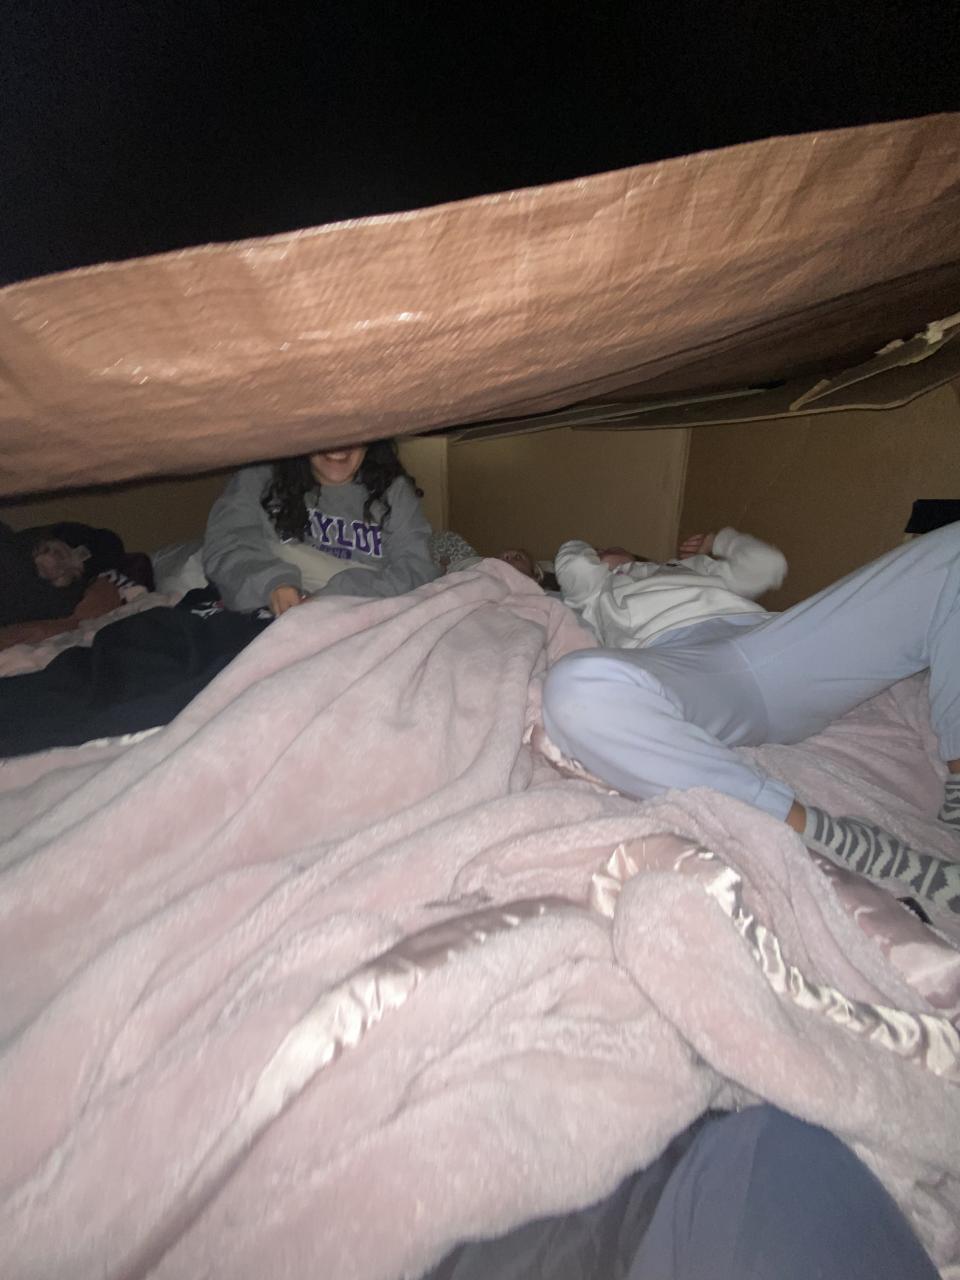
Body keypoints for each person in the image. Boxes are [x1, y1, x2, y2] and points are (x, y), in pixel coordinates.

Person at [543, 523, 960, 918]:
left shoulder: (693, 569)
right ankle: (835, 840)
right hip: (694, 670)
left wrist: (716, 541)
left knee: (952, 554)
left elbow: (767, 567)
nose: (602, 550)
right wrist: (599, 559)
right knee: (576, 689)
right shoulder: (594, 596)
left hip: (775, 644)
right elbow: (572, 563)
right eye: (599, 551)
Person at [202, 440, 437, 615]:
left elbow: (418, 568)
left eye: (353, 431)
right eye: (328, 429)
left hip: (359, 608)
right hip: (268, 604)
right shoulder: (259, 477)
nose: (339, 443)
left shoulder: (393, 491)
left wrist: (337, 596)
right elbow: (226, 543)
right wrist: (273, 585)